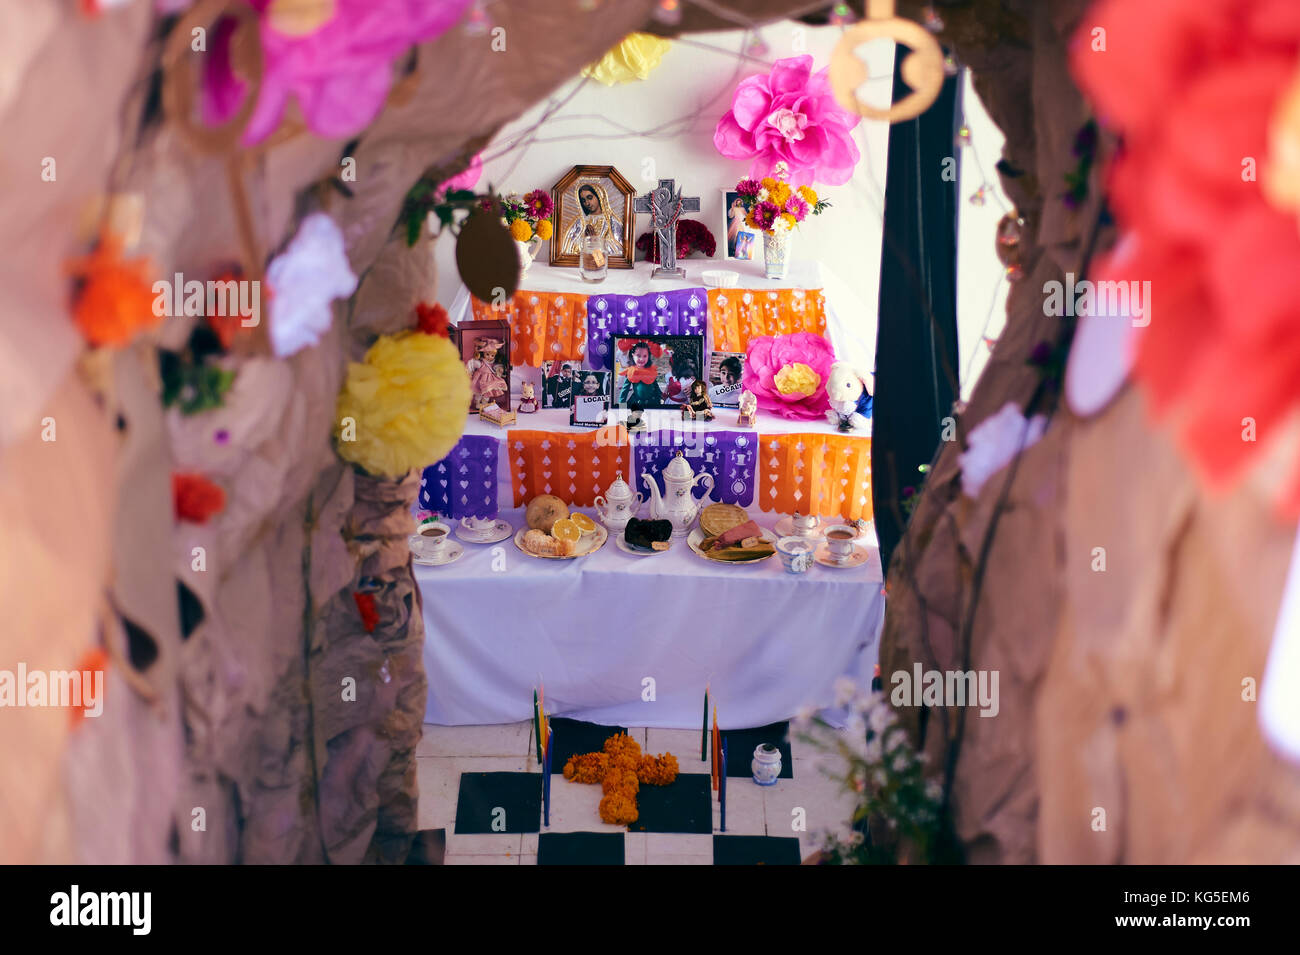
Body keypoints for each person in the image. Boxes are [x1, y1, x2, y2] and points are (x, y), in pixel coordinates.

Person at [560, 182, 624, 257]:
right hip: (582, 262)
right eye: (583, 200)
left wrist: (595, 241)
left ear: (599, 196)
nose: (587, 203)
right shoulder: (580, 222)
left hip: (604, 265)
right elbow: (569, 247)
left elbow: (619, 249)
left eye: (590, 198)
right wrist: (585, 241)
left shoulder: (611, 221)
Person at [618, 339, 663, 407]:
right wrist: (621, 407)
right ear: (633, 355)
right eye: (638, 356)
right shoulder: (631, 371)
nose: (641, 359)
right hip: (637, 403)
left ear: (648, 356)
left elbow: (655, 386)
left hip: (652, 402)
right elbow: (624, 391)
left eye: (645, 356)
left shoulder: (651, 370)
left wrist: (662, 396)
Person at [466, 337, 508, 409]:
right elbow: (472, 363)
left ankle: (484, 403)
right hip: (479, 378)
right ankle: (478, 403)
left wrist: (500, 369)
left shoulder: (493, 364)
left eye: (492, 355)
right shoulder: (481, 363)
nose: (489, 357)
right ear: (483, 354)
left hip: (489, 380)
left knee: (487, 392)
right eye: (487, 354)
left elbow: (497, 367)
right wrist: (469, 371)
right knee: (478, 391)